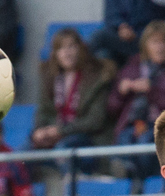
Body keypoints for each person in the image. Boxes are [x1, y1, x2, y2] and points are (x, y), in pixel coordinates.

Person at [109, 21, 165, 179]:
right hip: (131, 125)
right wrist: (120, 93)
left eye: (164, 42)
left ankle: (139, 180)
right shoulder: (132, 68)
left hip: (162, 127)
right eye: (155, 42)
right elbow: (112, 108)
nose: (160, 47)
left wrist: (152, 91)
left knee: (146, 141)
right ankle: (127, 176)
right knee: (125, 139)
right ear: (145, 45)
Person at [32, 27, 120, 156]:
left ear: (81, 49)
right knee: (26, 150)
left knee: (63, 149)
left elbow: (95, 120)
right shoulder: (50, 78)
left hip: (88, 137)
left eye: (71, 46)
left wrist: (60, 131)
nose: (67, 53)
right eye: (61, 48)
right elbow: (43, 111)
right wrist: (39, 130)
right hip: (55, 132)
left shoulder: (98, 77)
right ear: (55, 54)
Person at [95, 0, 165, 64]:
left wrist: (134, 31)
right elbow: (111, 16)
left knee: (101, 36)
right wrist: (121, 26)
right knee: (104, 54)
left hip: (145, 37)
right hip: (121, 36)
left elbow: (157, 17)